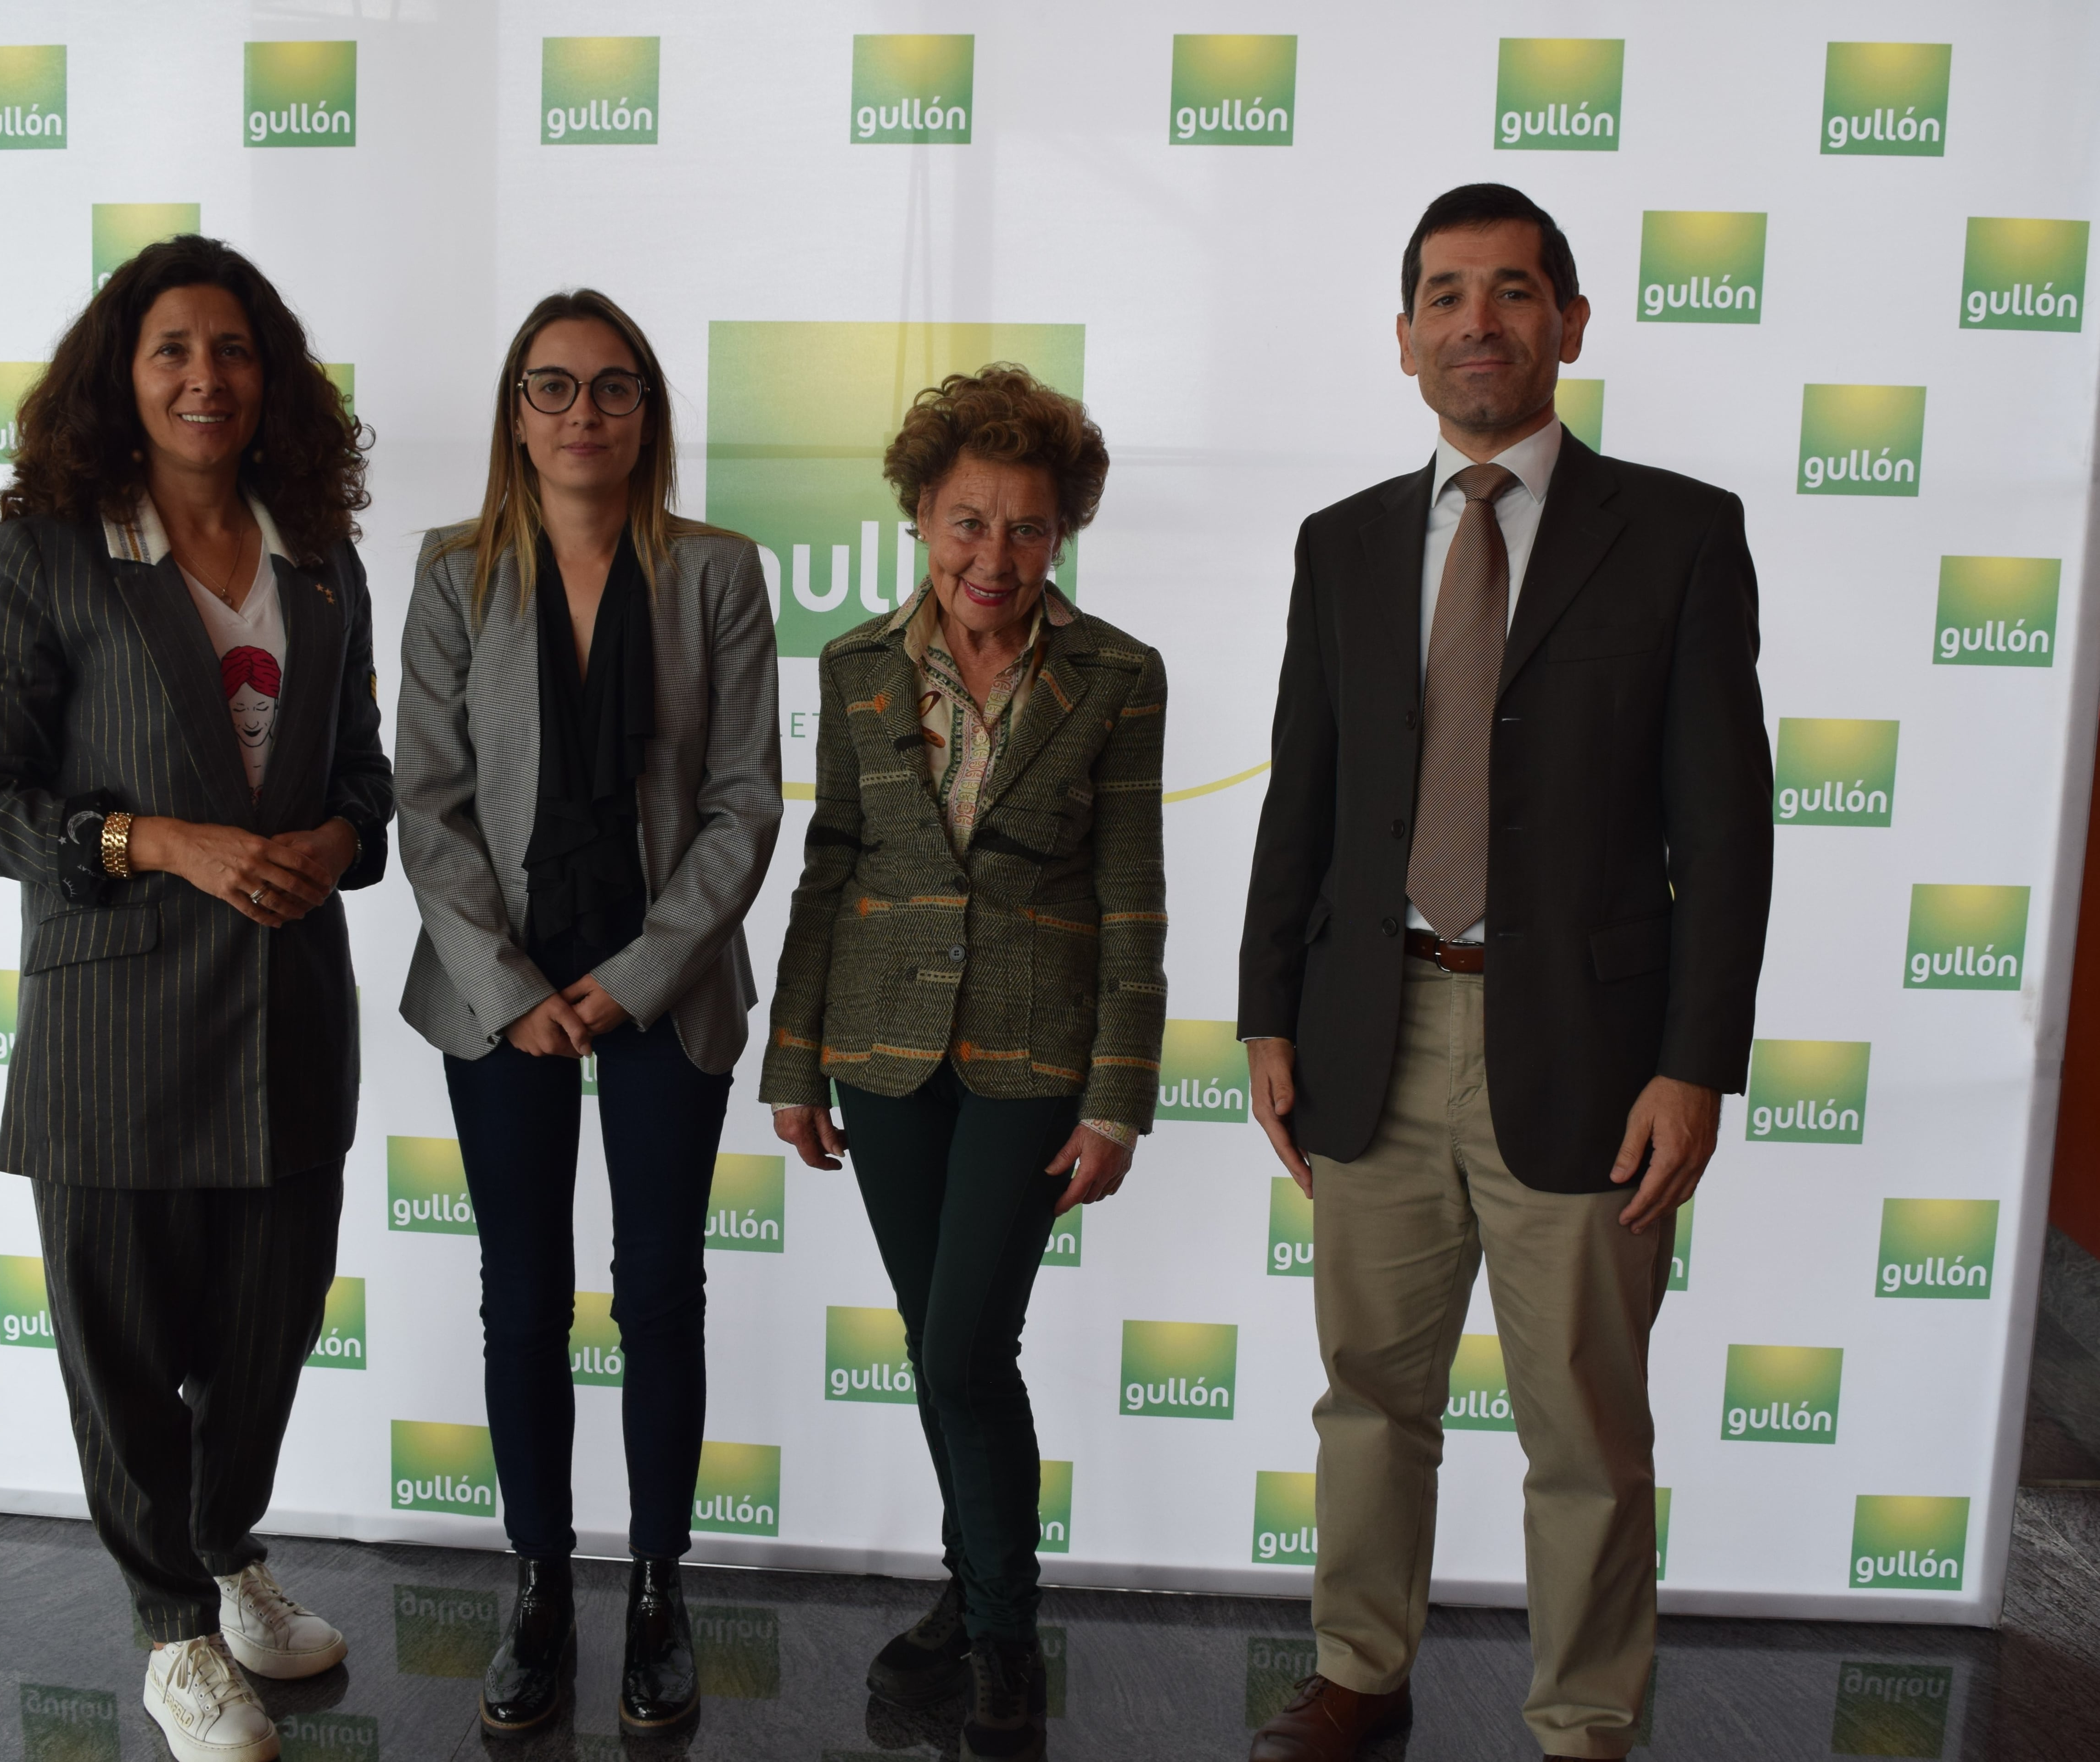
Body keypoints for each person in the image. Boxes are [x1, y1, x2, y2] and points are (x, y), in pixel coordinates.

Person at [1238, 184, 1772, 1762]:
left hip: (1597, 1057)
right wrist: (1268, 1007)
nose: (1481, 320)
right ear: (1405, 339)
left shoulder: (1678, 534)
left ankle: (1590, 1722)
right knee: (1369, 1399)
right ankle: (1359, 1672)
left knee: (1588, 1431)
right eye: (1448, 294)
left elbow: (1726, 829)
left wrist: (1696, 1062)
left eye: (1517, 291)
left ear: (1573, 326)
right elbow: (1305, 797)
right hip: (1371, 1027)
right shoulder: (1340, 546)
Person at [0, 235, 393, 1762]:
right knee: (125, 1348)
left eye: (237, 350)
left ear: (275, 383)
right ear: (122, 382)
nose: (209, 377)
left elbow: (367, 786)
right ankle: (176, 1634)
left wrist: (334, 837)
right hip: (113, 1031)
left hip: (287, 1018)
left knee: (267, 1333)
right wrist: (155, 839)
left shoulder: (321, 560)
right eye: (175, 351)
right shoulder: (52, 555)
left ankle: (224, 1547)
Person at [763, 365, 1167, 1762]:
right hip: (879, 1054)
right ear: (920, 516)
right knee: (950, 1355)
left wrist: (1119, 1098)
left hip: (1032, 1057)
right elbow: (830, 868)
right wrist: (793, 1057)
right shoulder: (856, 667)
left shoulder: (1118, 676)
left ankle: (1001, 1639)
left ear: (1062, 535)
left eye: (1031, 528)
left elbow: (1134, 896)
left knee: (959, 1349)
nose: (996, 557)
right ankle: (970, 1591)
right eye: (969, 522)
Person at [394, 289, 782, 1738]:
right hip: (498, 992)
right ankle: (542, 1585)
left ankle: (660, 1591)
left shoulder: (718, 574)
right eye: (552, 388)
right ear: (515, 412)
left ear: (648, 414)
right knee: (522, 1298)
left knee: (661, 1291)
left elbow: (746, 800)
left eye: (613, 388)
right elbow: (426, 800)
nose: (582, 414)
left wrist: (639, 972)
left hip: (659, 986)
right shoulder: (450, 574)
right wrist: (513, 987)